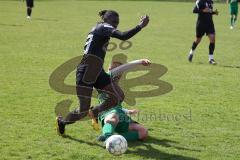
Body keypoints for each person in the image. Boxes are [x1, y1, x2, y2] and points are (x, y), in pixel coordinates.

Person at [56, 10, 149, 135]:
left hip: (97, 71)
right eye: (114, 22)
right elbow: (123, 36)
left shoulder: (101, 28)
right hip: (86, 71)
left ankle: (93, 113)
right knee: (83, 110)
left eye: (117, 23)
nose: (115, 25)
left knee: (118, 96)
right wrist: (140, 26)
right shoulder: (103, 26)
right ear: (107, 20)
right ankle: (63, 121)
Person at [97, 59, 151, 142]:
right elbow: (124, 68)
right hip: (107, 113)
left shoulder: (116, 86)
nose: (119, 75)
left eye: (120, 74)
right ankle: (107, 137)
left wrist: (127, 111)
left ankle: (117, 139)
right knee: (113, 118)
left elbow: (116, 106)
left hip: (119, 114)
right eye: (118, 72)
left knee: (143, 132)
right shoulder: (106, 79)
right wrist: (140, 61)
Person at [188, 0, 218, 64]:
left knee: (212, 39)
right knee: (197, 40)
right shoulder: (200, 1)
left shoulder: (211, 1)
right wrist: (202, 10)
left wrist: (214, 12)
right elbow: (194, 10)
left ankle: (211, 59)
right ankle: (191, 52)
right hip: (201, 24)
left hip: (209, 24)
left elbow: (209, 11)